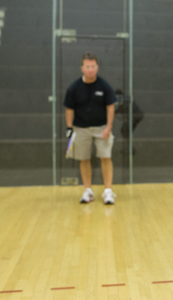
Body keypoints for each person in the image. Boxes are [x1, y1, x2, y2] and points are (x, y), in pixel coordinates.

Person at [64, 52, 117, 205]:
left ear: (97, 67)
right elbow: (69, 109)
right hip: (80, 129)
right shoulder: (74, 88)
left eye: (93, 66)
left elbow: (110, 107)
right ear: (82, 68)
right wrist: (69, 127)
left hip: (101, 128)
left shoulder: (104, 86)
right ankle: (88, 191)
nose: (90, 69)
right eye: (87, 66)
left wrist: (108, 127)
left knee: (106, 157)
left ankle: (108, 191)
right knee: (84, 159)